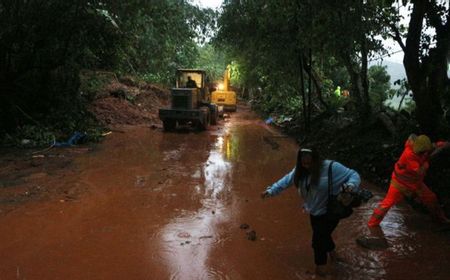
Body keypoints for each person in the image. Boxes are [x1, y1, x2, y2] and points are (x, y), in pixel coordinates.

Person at [261, 148, 361, 277]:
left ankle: (321, 269)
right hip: (314, 211)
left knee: (317, 241)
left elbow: (354, 175)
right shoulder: (300, 171)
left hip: (331, 210)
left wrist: (350, 186)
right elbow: (286, 181)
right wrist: (270, 191)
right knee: (323, 235)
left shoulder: (331, 167)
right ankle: (333, 255)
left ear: (317, 160)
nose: (307, 167)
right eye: (304, 164)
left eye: (310, 164)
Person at [368, 134, 450, 227]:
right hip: (399, 184)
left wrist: (444, 144)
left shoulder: (424, 146)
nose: (421, 154)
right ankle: (372, 224)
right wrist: (427, 162)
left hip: (415, 183)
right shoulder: (409, 155)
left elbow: (436, 145)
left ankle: (441, 220)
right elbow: (419, 171)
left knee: (431, 198)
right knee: (386, 204)